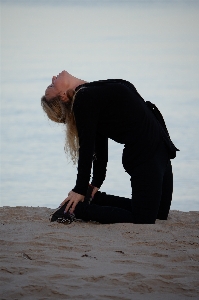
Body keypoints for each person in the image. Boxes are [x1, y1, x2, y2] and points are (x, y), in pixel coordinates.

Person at [41, 70, 179, 224]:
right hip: (145, 155)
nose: (53, 78)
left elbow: (100, 142)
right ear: (63, 96)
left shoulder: (92, 91)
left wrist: (96, 183)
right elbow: (87, 147)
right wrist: (80, 188)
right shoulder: (83, 98)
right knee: (144, 218)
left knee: (160, 213)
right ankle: (78, 210)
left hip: (162, 150)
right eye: (51, 85)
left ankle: (94, 200)